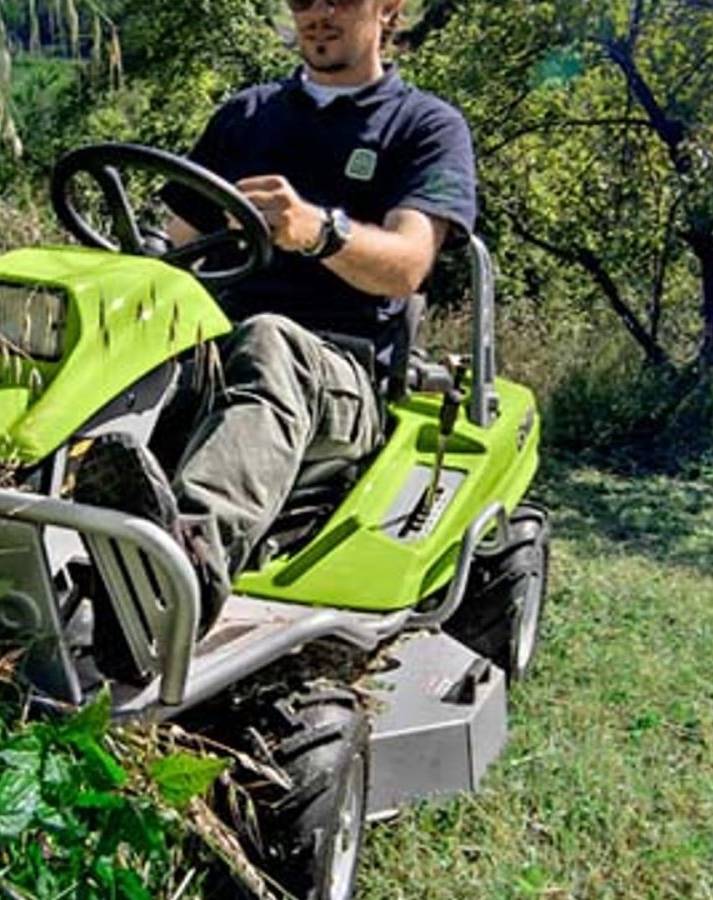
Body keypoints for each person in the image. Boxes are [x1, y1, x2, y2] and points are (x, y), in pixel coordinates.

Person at [75, 0, 477, 625]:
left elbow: (407, 264)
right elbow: (179, 244)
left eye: (340, 0)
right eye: (303, 0)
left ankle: (178, 577)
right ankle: (0, 515)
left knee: (269, 340)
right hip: (220, 347)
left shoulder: (424, 126)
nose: (318, 14)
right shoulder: (246, 117)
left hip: (343, 377)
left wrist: (319, 231)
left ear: (389, 9)